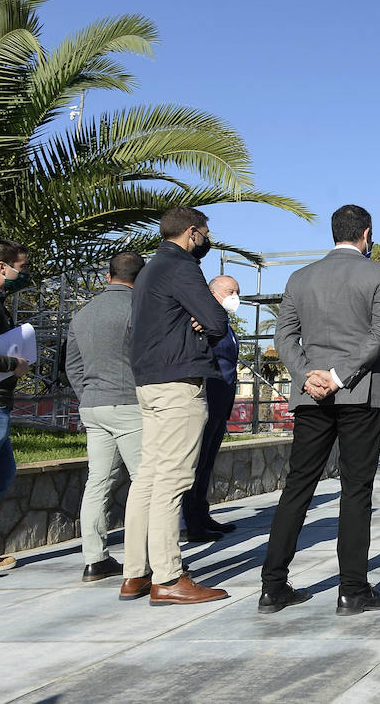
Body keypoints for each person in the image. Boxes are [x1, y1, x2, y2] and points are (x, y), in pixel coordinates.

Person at [261, 204, 380, 615]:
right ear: (367, 233)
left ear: (333, 233)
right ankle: (352, 590)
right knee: (356, 489)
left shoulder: (300, 277)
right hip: (358, 393)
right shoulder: (378, 274)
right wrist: (338, 377)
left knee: (298, 486)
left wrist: (307, 375)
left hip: (310, 396)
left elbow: (283, 334)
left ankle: (272, 587)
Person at [123, 208, 230, 605]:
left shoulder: (151, 268)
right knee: (172, 481)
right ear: (191, 233)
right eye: (205, 233)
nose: (207, 239)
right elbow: (217, 321)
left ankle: (135, 573)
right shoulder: (182, 266)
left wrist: (197, 317)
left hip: (149, 383)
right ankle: (167, 577)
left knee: (148, 479)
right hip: (177, 385)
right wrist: (203, 317)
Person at [64, 251, 146, 582]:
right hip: (130, 404)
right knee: (146, 483)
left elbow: (72, 365)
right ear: (140, 279)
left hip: (93, 406)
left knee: (97, 481)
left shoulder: (83, 313)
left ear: (109, 275)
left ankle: (95, 559)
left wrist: (89, 396)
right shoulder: (139, 309)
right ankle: (148, 561)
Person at [181, 276, 241, 541]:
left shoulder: (224, 322)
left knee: (208, 460)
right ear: (214, 292)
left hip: (223, 397)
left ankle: (201, 513)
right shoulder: (203, 319)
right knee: (198, 458)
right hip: (208, 394)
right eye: (230, 291)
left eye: (237, 291)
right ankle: (190, 520)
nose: (235, 296)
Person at [0, 239, 32, 579]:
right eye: (21, 266)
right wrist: (12, 362)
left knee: (2, 475)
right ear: (2, 267)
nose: (25, 273)